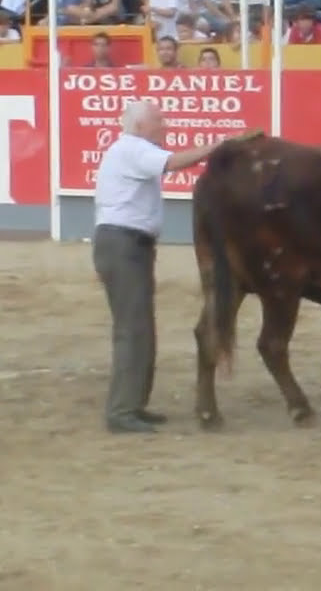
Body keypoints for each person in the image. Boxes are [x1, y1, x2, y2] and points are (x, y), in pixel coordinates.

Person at [92, 100, 238, 434]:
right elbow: (173, 162)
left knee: (139, 327)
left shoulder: (129, 149)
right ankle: (122, 411)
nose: (166, 125)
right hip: (124, 244)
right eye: (160, 120)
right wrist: (216, 146)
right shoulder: (132, 148)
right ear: (141, 126)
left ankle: (133, 405)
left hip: (128, 244)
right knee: (133, 329)